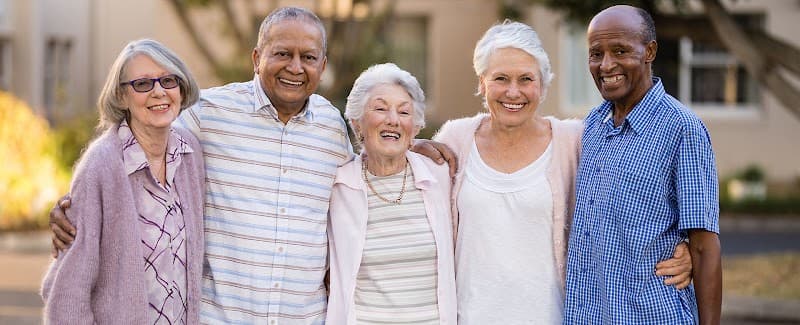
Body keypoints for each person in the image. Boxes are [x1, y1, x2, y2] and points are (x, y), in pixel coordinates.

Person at [47, 7, 455, 324]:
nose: (295, 67)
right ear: (257, 57)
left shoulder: (332, 128)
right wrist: (74, 202)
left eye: (308, 57)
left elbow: (364, 168)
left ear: (323, 65)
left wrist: (406, 139)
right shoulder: (208, 113)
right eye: (282, 54)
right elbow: (140, 141)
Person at [433, 20, 694, 324]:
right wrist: (416, 149)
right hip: (469, 316)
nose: (513, 92)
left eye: (526, 79)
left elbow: (630, 193)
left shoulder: (574, 140)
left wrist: (683, 248)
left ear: (542, 85)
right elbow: (418, 206)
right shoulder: (455, 138)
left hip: (553, 316)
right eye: (501, 78)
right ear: (482, 83)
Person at [563, 5, 722, 324]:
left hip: (652, 316)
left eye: (620, 50)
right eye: (596, 54)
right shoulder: (593, 125)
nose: (606, 65)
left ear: (649, 51)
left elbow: (705, 248)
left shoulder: (681, 129)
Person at [40, 39, 205, 323]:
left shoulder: (190, 153)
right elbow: (68, 291)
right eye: (142, 84)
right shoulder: (101, 165)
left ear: (182, 87)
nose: (159, 92)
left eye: (168, 81)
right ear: (121, 96)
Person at [326, 63, 456, 324]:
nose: (393, 119)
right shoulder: (336, 186)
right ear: (357, 123)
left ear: (415, 128)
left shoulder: (441, 177)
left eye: (404, 112)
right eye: (380, 108)